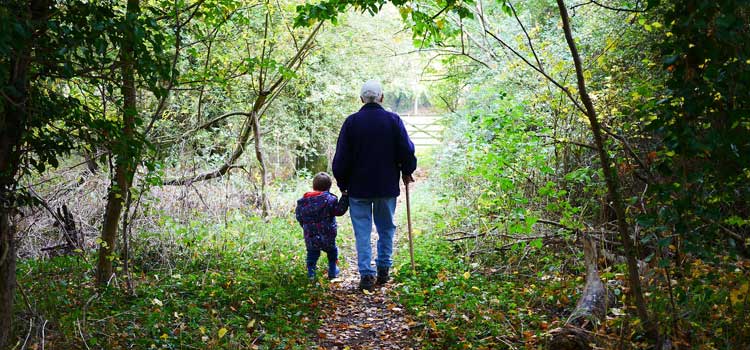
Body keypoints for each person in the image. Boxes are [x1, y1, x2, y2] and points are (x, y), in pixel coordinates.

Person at [332, 80, 417, 291]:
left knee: (362, 231)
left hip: (358, 188)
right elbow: (406, 150)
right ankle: (383, 269)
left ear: (361, 99)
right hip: (386, 186)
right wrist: (407, 170)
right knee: (386, 227)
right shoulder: (393, 120)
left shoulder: (351, 123)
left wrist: (343, 185)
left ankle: (366, 275)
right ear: (382, 97)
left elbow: (340, 159)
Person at [295, 172, 349, 280]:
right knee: (332, 251)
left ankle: (311, 274)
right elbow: (339, 211)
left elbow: (299, 217)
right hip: (327, 234)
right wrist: (345, 197)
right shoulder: (330, 200)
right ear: (329, 187)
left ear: (314, 186)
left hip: (310, 235)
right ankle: (332, 271)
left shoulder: (303, 202)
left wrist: (306, 227)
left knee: (312, 254)